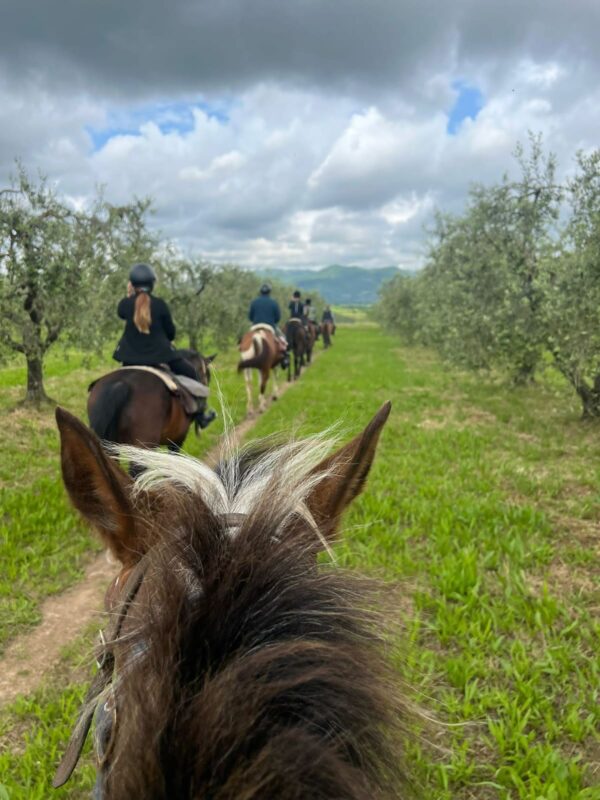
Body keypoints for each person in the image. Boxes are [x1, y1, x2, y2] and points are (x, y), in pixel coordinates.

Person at [113, 263, 214, 427]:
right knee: (192, 373)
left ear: (131, 284)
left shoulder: (125, 304)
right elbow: (171, 333)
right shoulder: (160, 305)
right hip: (160, 357)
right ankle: (201, 416)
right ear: (152, 283)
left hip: (129, 360)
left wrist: (129, 295)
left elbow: (122, 312)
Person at [248, 283, 289, 367]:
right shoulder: (274, 303)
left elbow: (250, 317)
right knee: (282, 339)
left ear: (260, 292)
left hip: (256, 326)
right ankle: (285, 358)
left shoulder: (254, 302)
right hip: (269, 326)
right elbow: (277, 318)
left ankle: (244, 354)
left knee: (247, 338)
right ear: (269, 292)